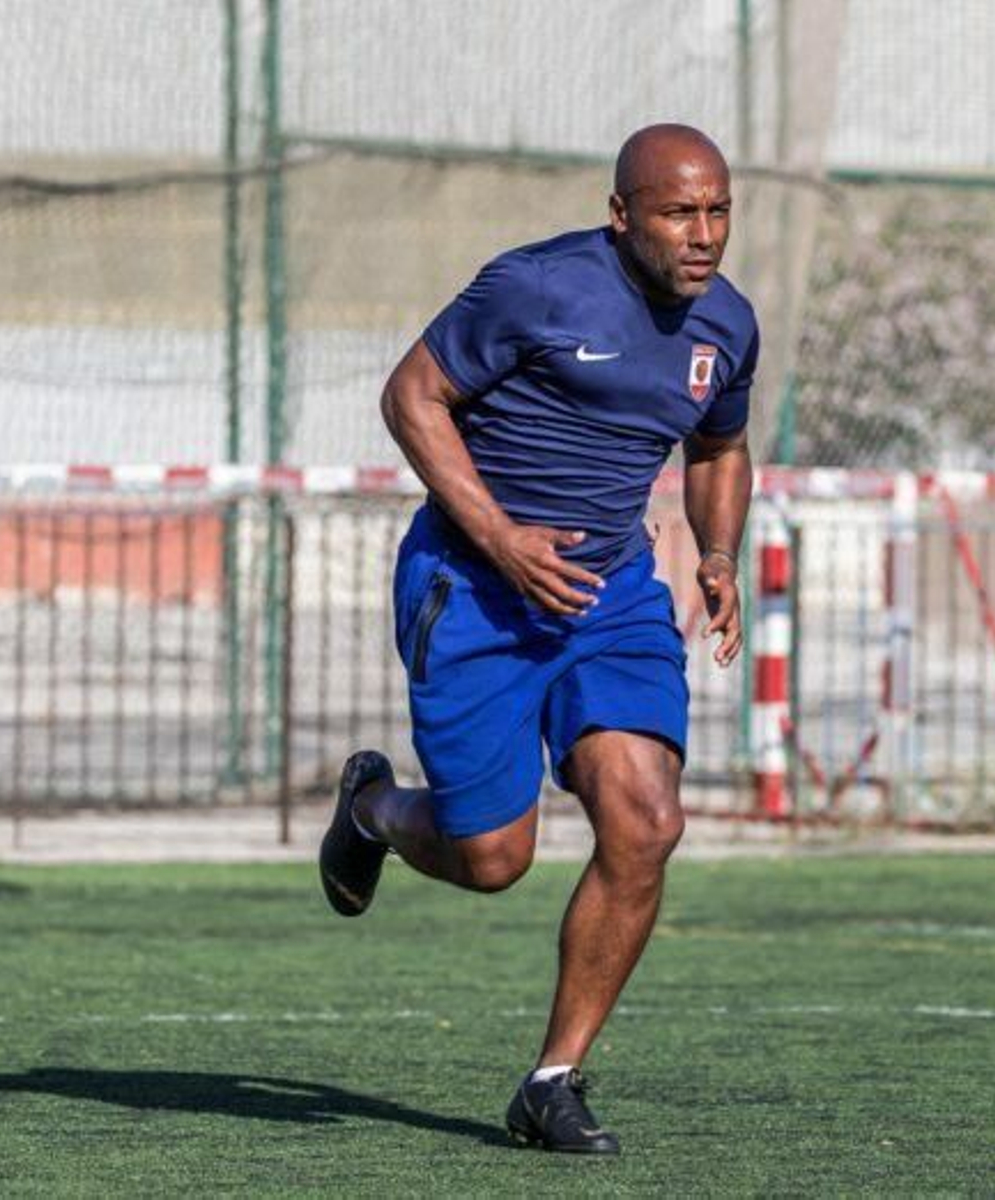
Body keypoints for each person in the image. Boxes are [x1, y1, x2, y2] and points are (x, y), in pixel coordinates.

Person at [317, 124, 757, 1156]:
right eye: (677, 213)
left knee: (646, 821)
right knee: (490, 858)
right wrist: (501, 536)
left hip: (610, 598)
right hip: (473, 590)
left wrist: (719, 552)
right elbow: (410, 396)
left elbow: (721, 445)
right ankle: (374, 809)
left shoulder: (727, 324)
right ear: (621, 216)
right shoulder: (535, 288)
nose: (703, 236)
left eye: (719, 211)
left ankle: (552, 1079)